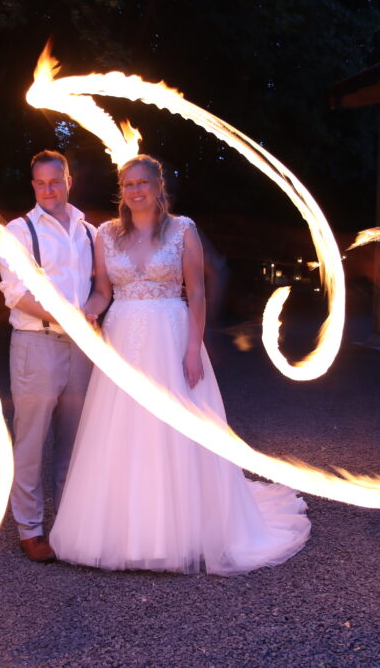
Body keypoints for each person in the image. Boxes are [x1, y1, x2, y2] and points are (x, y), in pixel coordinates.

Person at [49, 155, 310, 575]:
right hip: (123, 342)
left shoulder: (182, 230)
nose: (135, 190)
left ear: (158, 187)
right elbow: (102, 290)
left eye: (142, 183)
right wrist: (88, 312)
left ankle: (183, 530)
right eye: (128, 184)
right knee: (123, 431)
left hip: (170, 338)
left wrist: (193, 349)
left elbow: (199, 294)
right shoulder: (106, 234)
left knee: (175, 431)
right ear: (122, 190)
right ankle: (126, 532)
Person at [0, 150, 96, 563]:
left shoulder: (90, 231)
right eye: (40, 183)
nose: (48, 189)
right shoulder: (17, 231)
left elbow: (99, 285)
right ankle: (30, 529)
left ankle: (68, 524)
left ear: (69, 180)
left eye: (55, 181)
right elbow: (16, 292)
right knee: (31, 440)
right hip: (37, 345)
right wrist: (66, 318)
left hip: (82, 349)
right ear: (32, 185)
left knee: (75, 441)